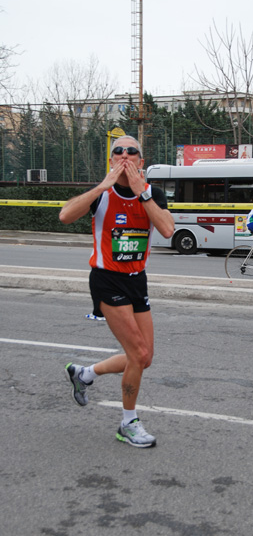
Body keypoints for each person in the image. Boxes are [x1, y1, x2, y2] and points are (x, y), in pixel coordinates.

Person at [59, 135, 175, 448]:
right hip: (107, 280)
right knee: (137, 353)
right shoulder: (102, 194)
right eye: (117, 151)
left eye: (131, 151)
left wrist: (143, 195)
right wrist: (100, 187)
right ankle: (128, 423)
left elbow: (167, 229)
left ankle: (85, 374)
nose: (124, 155)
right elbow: (65, 216)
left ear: (141, 160)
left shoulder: (153, 194)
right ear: (111, 160)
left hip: (137, 281)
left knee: (145, 357)